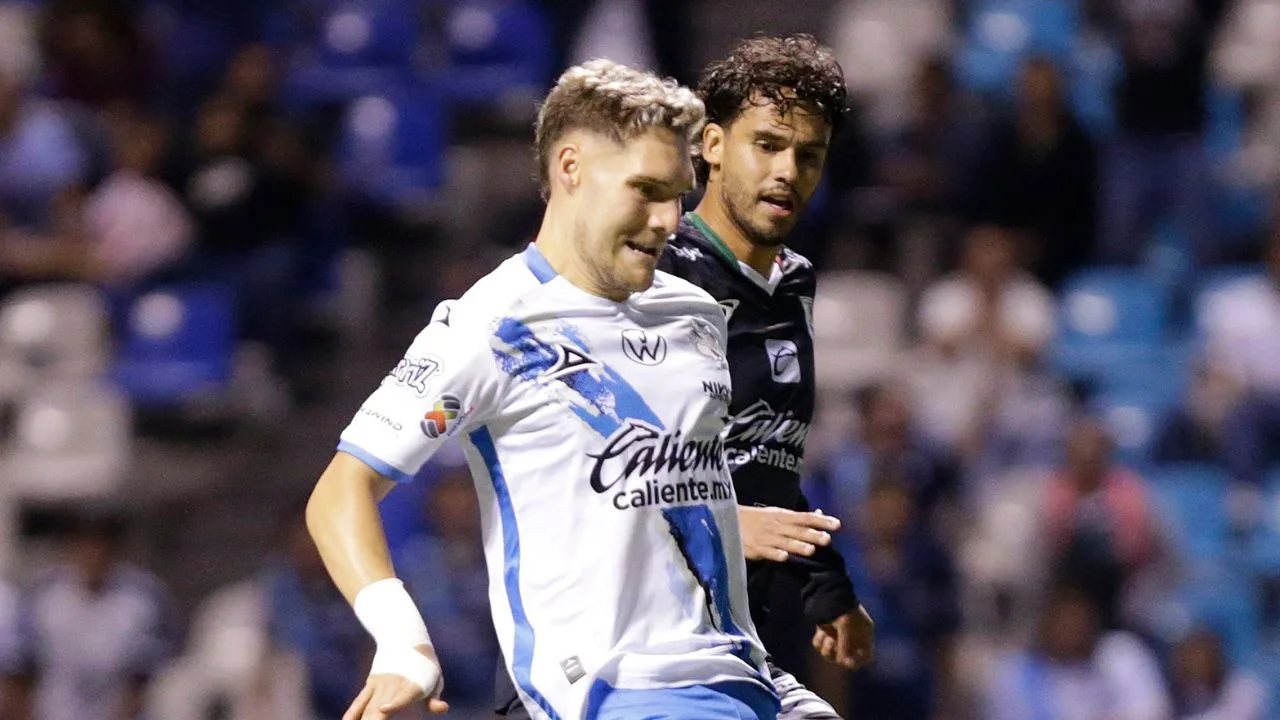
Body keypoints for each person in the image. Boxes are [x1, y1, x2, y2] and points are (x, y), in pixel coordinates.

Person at [306, 59, 780, 720]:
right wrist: (402, 640)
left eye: (679, 194)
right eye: (646, 190)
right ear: (570, 168)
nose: (669, 219)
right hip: (614, 691)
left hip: (738, 681)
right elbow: (341, 491)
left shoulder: (696, 316)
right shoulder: (493, 326)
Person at [511, 34, 876, 720]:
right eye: (766, 145)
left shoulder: (795, 283)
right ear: (710, 145)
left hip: (731, 642)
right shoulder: (649, 275)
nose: (788, 172)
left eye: (809, 155)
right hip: (622, 650)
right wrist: (728, 523)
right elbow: (579, 470)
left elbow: (766, 460)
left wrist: (828, 590)